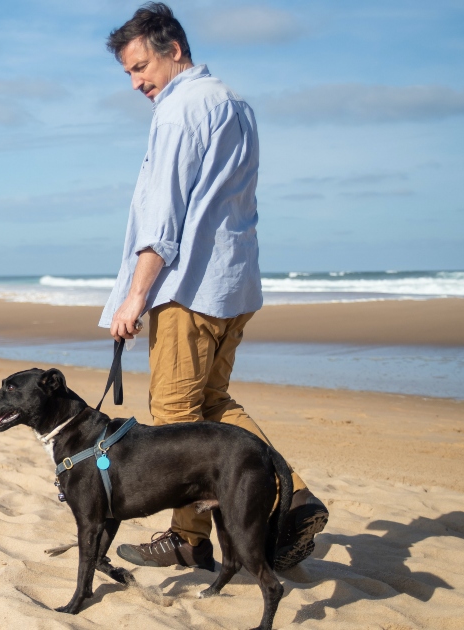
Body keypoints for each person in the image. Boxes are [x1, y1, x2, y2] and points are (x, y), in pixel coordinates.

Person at [99, 3, 328, 572]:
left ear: (173, 48)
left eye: (140, 66)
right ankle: (285, 498)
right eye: (128, 73)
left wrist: (136, 295)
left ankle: (199, 533)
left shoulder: (180, 111)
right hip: (234, 282)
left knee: (176, 411)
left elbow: (164, 217)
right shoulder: (234, 104)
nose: (136, 83)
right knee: (212, 404)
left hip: (191, 286)